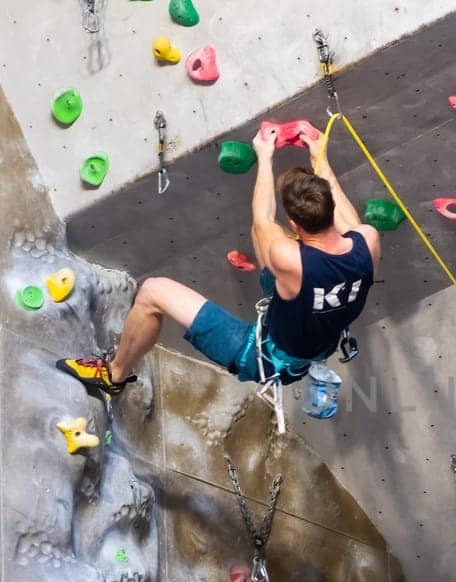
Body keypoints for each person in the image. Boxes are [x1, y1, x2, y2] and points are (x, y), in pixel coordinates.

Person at [58, 122, 380, 396]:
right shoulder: (367, 241)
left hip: (264, 356)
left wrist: (264, 158)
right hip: (317, 339)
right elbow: (341, 214)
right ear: (331, 212)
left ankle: (113, 375)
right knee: (270, 245)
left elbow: (262, 219)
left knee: (153, 292)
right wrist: (319, 154)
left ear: (298, 226)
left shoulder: (291, 259)